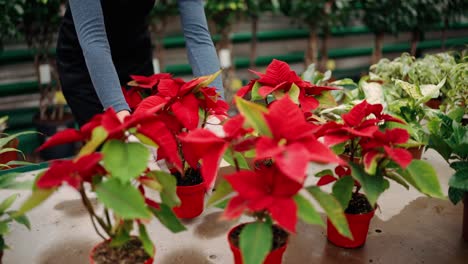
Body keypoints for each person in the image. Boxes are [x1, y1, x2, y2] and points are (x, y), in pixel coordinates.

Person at [56, 0, 223, 126]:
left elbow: (198, 37)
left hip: (135, 56)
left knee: (150, 141)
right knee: (111, 153)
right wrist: (120, 112)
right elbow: (93, 39)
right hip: (86, 66)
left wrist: (215, 110)